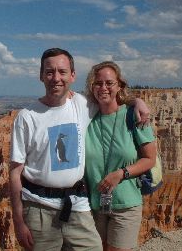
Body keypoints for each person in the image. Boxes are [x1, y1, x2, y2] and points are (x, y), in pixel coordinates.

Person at [9, 48, 150, 251]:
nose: (56, 77)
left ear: (72, 75)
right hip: (39, 209)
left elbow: (111, 97)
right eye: (49, 72)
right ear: (41, 76)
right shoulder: (27, 116)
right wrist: (18, 221)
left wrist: (137, 101)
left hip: (78, 207)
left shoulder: (83, 104)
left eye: (62, 71)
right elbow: (15, 172)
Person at [84, 61, 157, 251]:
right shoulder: (87, 118)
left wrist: (120, 174)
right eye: (98, 83)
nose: (103, 88)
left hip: (126, 205)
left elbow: (150, 159)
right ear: (91, 87)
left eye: (109, 83)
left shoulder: (134, 116)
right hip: (94, 206)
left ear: (119, 86)